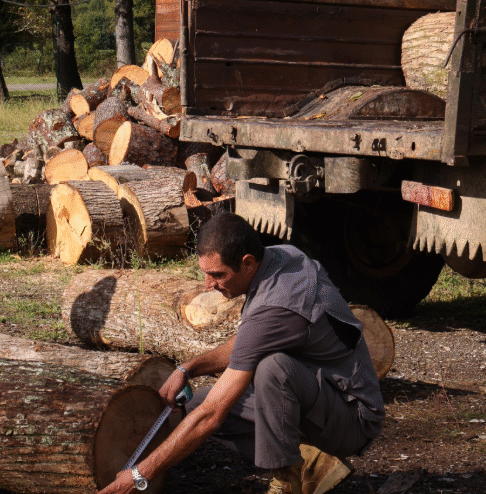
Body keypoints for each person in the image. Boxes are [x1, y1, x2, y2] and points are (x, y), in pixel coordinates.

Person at [99, 212, 384, 494]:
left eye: (218, 275)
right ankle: (313, 458)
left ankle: (288, 482)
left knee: (272, 370)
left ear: (247, 263)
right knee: (196, 405)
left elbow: (212, 416)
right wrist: (188, 368)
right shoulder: (280, 257)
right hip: (321, 395)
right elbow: (250, 341)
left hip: (353, 418)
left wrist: (139, 474)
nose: (209, 285)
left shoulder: (278, 305)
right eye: (205, 273)